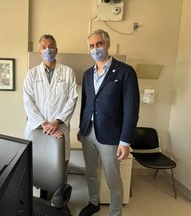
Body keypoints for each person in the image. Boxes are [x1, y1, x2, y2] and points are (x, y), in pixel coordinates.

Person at [77, 29, 140, 216]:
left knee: (113, 179)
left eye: (99, 44)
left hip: (111, 136)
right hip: (89, 133)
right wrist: (82, 127)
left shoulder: (125, 72)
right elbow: (86, 103)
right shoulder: (88, 74)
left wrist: (125, 141)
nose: (95, 49)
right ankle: (93, 202)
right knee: (90, 173)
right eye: (91, 46)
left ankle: (115, 213)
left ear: (108, 44)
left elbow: (132, 109)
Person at [23, 34, 78, 191]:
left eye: (51, 46)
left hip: (59, 129)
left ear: (56, 49)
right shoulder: (31, 75)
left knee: (59, 172)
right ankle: (39, 206)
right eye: (44, 47)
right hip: (37, 130)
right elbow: (28, 102)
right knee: (36, 172)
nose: (48, 49)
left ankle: (58, 205)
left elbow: (72, 99)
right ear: (39, 52)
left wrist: (57, 122)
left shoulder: (68, 72)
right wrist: (45, 124)